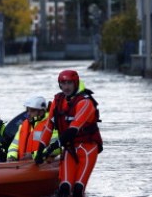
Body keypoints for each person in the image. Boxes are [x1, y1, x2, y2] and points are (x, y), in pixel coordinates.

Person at [36, 69, 103, 197]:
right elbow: (49, 127)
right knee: (64, 189)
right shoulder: (58, 100)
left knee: (78, 189)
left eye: (69, 83)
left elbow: (72, 130)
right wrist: (40, 151)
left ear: (76, 83)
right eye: (63, 83)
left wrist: (51, 147)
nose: (66, 87)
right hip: (69, 148)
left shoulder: (85, 102)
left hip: (87, 149)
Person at [7, 95, 59, 161]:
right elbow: (14, 145)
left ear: (41, 111)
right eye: (28, 110)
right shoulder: (24, 125)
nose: (28, 113)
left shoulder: (51, 125)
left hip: (41, 163)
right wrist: (11, 156)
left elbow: (55, 149)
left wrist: (33, 155)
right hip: (22, 165)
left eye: (32, 111)